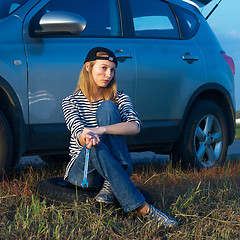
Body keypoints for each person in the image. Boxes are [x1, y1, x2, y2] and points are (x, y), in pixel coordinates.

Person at [62, 47, 178, 228]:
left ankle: (110, 185)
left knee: (108, 108)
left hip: (106, 171)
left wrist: (102, 129)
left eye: (112, 69)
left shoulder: (120, 97)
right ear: (88, 67)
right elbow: (78, 132)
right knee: (93, 145)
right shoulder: (71, 101)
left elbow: (135, 126)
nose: (108, 74)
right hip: (84, 172)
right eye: (103, 68)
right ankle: (143, 208)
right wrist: (88, 136)